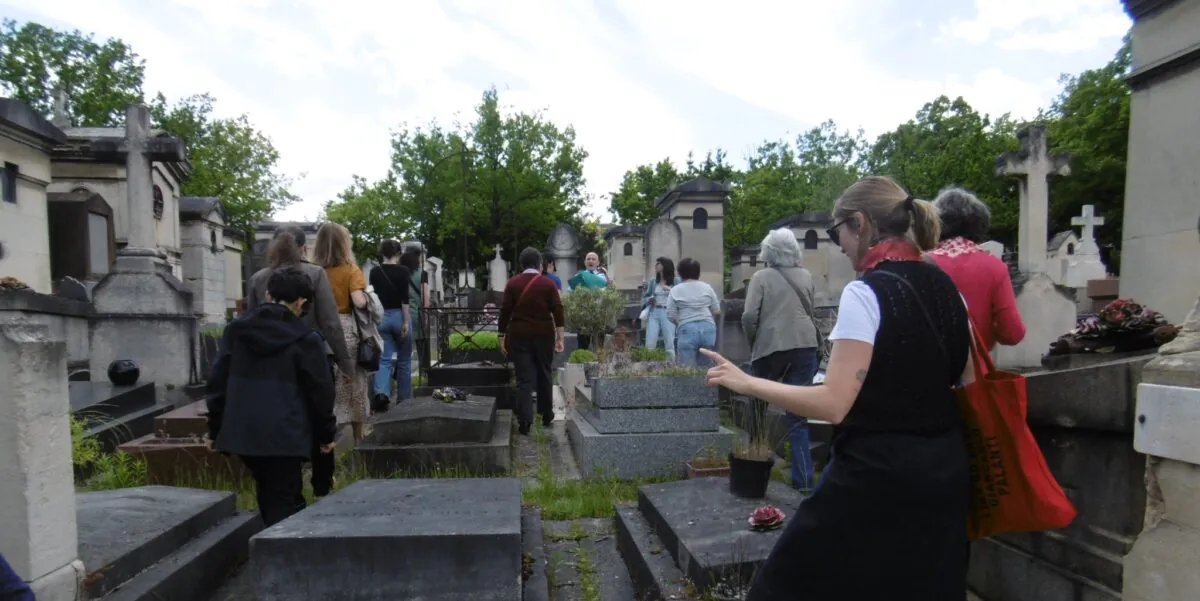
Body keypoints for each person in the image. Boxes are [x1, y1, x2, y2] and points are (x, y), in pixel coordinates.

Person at [701, 175, 974, 601]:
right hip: (946, 471)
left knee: (786, 585)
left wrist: (747, 382)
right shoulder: (949, 290)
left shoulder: (866, 293)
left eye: (837, 232)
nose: (839, 245)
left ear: (860, 224)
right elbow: (966, 381)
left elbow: (833, 404)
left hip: (875, 475)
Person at [206, 267, 337, 527]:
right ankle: (283, 556)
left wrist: (215, 428)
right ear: (300, 302)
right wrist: (326, 435)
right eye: (305, 307)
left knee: (269, 489)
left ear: (268, 295)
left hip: (243, 432)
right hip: (285, 433)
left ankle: (275, 544)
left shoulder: (235, 331)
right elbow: (320, 393)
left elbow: (218, 381)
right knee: (283, 500)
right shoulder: (307, 340)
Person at [742, 229, 821, 491]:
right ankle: (804, 480)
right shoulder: (806, 276)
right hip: (806, 345)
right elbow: (810, 309)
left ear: (768, 251)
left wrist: (755, 342)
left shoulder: (761, 277)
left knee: (758, 407)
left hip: (771, 346)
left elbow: (748, 316)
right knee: (797, 416)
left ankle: (754, 463)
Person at [245, 227, 352, 379]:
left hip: (268, 359)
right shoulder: (316, 274)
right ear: (303, 248)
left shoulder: (258, 278)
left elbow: (251, 320)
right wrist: (345, 363)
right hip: (309, 356)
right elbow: (330, 322)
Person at [930, 186, 1026, 351]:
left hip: (928, 371)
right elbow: (1012, 333)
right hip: (977, 371)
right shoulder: (994, 267)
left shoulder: (921, 262)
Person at [313, 223, 371, 443]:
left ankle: (330, 430)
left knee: (330, 382)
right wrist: (368, 297)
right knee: (353, 380)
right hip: (346, 328)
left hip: (321, 328)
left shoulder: (316, 271)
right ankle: (358, 434)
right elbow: (358, 300)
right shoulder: (351, 270)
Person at [498, 247, 566, 435]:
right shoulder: (548, 284)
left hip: (519, 335)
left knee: (524, 379)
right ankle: (546, 414)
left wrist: (501, 336)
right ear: (539, 264)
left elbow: (505, 312)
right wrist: (560, 337)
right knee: (545, 372)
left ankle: (525, 421)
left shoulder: (512, 284)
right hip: (544, 334)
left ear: (521, 264)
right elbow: (558, 311)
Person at [369, 240, 411, 412]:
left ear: (382, 253)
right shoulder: (403, 271)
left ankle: (381, 394)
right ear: (398, 253)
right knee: (405, 360)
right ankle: (404, 398)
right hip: (398, 315)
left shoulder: (375, 271)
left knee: (384, 359)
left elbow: (372, 295)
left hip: (381, 317)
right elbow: (405, 299)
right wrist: (406, 321)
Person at [668, 258, 720, 367]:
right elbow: (716, 310)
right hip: (708, 327)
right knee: (708, 367)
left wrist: (681, 323)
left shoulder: (675, 290)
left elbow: (671, 315)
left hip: (686, 327)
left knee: (687, 369)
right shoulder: (707, 287)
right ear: (698, 272)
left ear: (680, 272)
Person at [568, 252, 611, 350]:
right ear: (585, 262)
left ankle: (600, 364)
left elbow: (609, 293)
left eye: (593, 259)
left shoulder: (603, 277)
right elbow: (570, 291)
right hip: (583, 315)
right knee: (583, 345)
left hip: (599, 314)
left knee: (599, 346)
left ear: (598, 262)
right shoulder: (579, 276)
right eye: (588, 259)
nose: (590, 261)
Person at [641, 257, 680, 361]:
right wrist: (649, 300)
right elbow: (645, 297)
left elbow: (681, 296)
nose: (656, 265)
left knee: (669, 341)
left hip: (668, 312)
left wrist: (669, 289)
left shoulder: (676, 281)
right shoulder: (653, 282)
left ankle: (670, 365)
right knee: (650, 341)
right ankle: (649, 364)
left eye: (659, 263)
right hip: (654, 312)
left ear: (665, 266)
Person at [400, 246, 430, 371]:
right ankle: (424, 370)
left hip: (401, 313)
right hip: (417, 313)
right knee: (422, 343)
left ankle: (400, 371)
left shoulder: (399, 272)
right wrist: (427, 312)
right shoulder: (422, 273)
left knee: (403, 346)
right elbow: (425, 296)